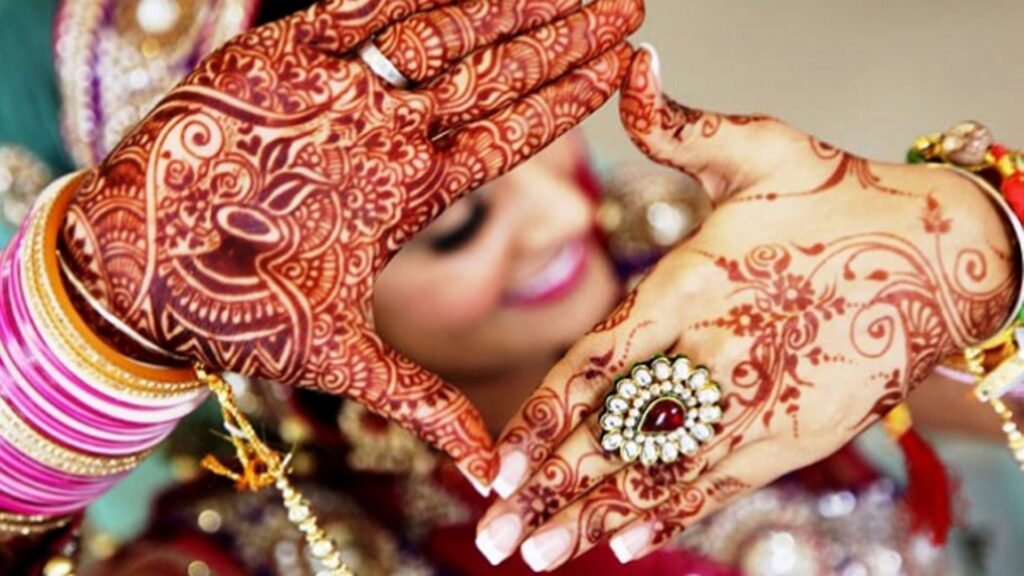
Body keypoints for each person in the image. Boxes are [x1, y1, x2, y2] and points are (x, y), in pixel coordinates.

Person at [0, 0, 1020, 575]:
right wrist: (87, 337)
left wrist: (974, 236)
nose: (566, 217)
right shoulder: (274, 554)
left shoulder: (747, 314)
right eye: (457, 222)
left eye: (549, 143)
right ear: (273, 306)